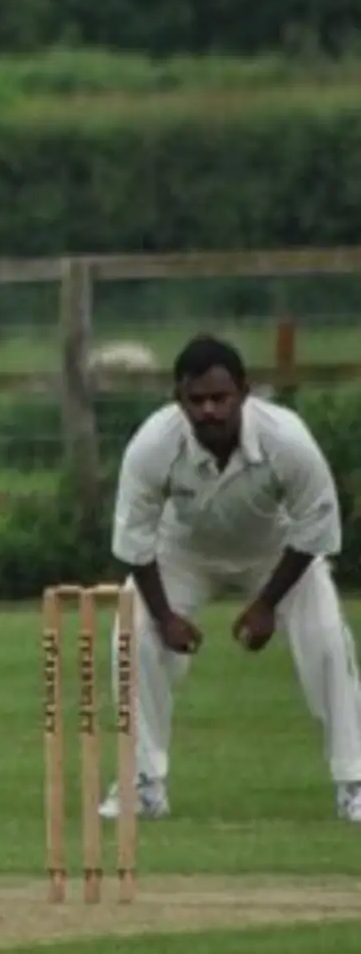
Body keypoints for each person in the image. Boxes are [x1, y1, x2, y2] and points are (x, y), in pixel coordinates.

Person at [103, 333, 361, 825]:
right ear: (178, 400)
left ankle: (355, 781)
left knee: (327, 639)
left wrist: (267, 605)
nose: (209, 411)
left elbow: (315, 528)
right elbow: (136, 540)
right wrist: (165, 617)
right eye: (196, 401)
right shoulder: (152, 446)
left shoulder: (286, 438)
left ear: (244, 391)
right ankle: (144, 782)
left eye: (220, 398)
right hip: (182, 552)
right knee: (131, 635)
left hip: (275, 552)